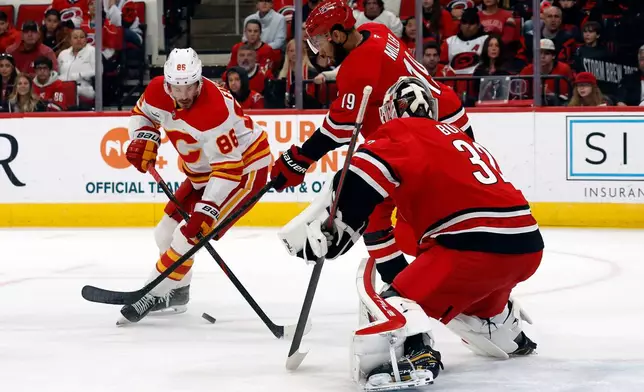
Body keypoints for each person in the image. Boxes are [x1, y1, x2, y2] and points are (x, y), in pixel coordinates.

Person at [278, 76, 543, 390]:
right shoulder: (459, 138)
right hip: (527, 244)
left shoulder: (399, 132)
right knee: (430, 243)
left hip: (473, 249)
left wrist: (336, 227)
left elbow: (363, 176)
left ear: (391, 112)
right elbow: (380, 217)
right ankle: (496, 320)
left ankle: (414, 351)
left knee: (392, 303)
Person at [270, 0, 473, 287]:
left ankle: (440, 285)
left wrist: (299, 159)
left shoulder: (358, 64)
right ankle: (403, 289)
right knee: (377, 217)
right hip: (441, 125)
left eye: (319, 41)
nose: (318, 51)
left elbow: (340, 128)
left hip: (431, 139)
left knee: (419, 225)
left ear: (338, 35)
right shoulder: (374, 30)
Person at [119, 48, 271, 324]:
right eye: (177, 88)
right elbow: (143, 114)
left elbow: (228, 167)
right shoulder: (156, 91)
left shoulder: (215, 109)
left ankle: (152, 291)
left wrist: (208, 209)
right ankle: (177, 293)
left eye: (190, 86)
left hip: (243, 172)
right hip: (202, 174)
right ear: (167, 84)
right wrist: (142, 137)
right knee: (164, 234)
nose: (184, 95)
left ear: (199, 80)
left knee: (187, 234)